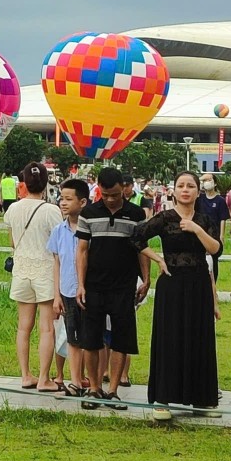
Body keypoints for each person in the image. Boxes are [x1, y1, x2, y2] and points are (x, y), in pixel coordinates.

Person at [76, 167, 166, 411]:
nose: (110, 199)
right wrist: (80, 284)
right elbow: (82, 251)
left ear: (124, 189)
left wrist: (145, 280)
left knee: (121, 339)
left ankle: (113, 391)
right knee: (90, 340)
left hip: (124, 286)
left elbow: (141, 248)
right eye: (105, 195)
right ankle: (94, 389)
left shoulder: (136, 214)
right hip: (94, 285)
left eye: (115, 194)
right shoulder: (88, 213)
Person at [134, 171, 221, 420]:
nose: (185, 190)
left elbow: (215, 248)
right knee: (169, 338)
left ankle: (202, 399)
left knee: (200, 338)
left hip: (199, 284)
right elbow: (136, 237)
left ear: (198, 191)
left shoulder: (204, 219)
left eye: (190, 186)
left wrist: (196, 229)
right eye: (181, 186)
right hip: (171, 285)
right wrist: (158, 258)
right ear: (173, 190)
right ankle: (163, 400)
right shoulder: (164, 218)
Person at [3, 162, 65, 391]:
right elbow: (59, 244)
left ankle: (25, 375)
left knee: (23, 327)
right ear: (46, 183)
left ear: (23, 184)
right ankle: (44, 378)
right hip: (45, 270)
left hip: (21, 270)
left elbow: (11, 241)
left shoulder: (13, 209)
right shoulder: (51, 210)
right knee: (47, 327)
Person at [50, 178, 92, 397]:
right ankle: (75, 381)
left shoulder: (92, 228)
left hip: (89, 291)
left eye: (68, 199)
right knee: (72, 338)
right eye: (61, 199)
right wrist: (56, 295)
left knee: (92, 339)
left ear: (83, 202)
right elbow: (57, 263)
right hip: (67, 291)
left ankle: (93, 382)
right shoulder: (58, 230)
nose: (63, 203)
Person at [196, 174, 230, 284]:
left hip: (214, 234)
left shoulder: (220, 200)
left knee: (213, 261)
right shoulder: (200, 198)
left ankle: (213, 285)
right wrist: (202, 178)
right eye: (205, 181)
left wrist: (221, 236)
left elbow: (222, 219)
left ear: (215, 183)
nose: (207, 182)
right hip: (200, 233)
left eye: (209, 180)